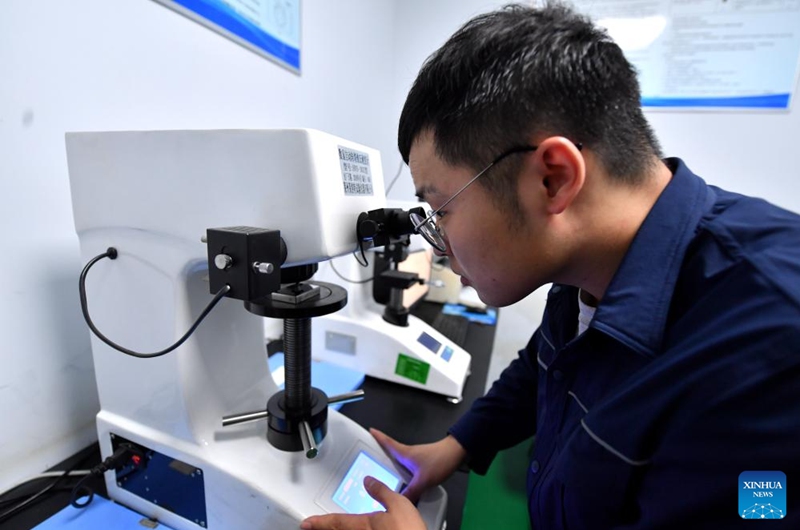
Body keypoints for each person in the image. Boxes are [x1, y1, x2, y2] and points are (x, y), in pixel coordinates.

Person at [302, 2, 800, 529]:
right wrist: (457, 444)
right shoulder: (594, 259)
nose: (437, 242)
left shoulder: (772, 346)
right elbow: (548, 361)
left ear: (554, 179)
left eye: (441, 210)